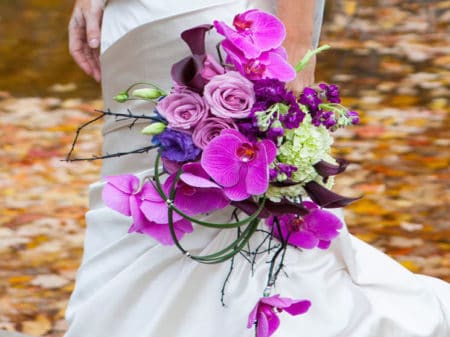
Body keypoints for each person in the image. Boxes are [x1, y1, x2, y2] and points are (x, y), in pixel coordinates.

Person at [66, 1, 450, 336]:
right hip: (131, 26)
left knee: (225, 207)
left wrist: (297, 46)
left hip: (214, 23)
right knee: (141, 200)